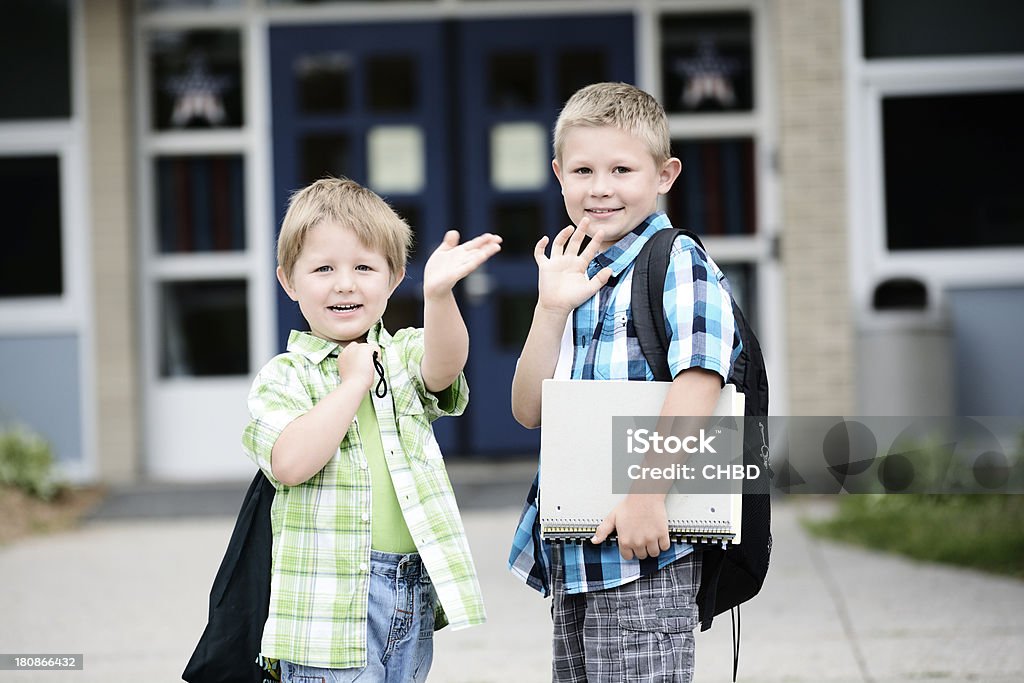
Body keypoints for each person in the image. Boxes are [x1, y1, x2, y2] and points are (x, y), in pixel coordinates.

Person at [508, 82, 743, 681]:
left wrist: (646, 495)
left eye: (622, 169)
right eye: (583, 170)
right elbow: (530, 410)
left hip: (647, 549)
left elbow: (699, 381)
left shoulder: (676, 260)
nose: (601, 187)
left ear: (665, 174)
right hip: (577, 549)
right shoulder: (576, 274)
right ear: (559, 175)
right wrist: (550, 309)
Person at [243, 177, 500, 682]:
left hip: (408, 588)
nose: (345, 283)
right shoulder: (285, 377)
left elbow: (445, 366)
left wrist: (440, 295)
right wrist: (353, 384)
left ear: (394, 277)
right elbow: (289, 463)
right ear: (289, 281)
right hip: (326, 605)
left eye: (364, 267)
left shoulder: (401, 354)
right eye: (323, 269)